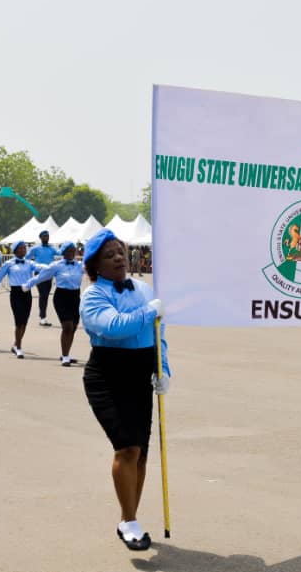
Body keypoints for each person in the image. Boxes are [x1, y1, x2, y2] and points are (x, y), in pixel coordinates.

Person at [79, 228, 169, 551]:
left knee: (140, 453)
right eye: (109, 255)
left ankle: (128, 518)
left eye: (120, 251)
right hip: (107, 375)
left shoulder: (143, 289)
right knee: (127, 447)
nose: (118, 258)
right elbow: (115, 327)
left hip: (140, 372)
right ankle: (130, 522)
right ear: (95, 266)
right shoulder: (93, 296)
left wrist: (163, 369)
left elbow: (158, 334)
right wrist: (150, 310)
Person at [25, 241, 84, 366]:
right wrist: (27, 285)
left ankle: (66, 353)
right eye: (68, 251)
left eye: (73, 251)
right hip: (61, 297)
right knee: (67, 326)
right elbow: (41, 277)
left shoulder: (80, 265)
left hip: (75, 297)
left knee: (73, 327)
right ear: (63, 252)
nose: (71, 253)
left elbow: (95, 271)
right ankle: (65, 357)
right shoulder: (56, 265)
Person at [0, 241, 39, 358]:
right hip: (16, 294)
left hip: (27, 293)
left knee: (24, 322)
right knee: (19, 322)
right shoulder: (9, 264)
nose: (24, 250)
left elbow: (40, 267)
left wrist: (50, 267)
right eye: (21, 248)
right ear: (15, 250)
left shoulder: (29, 263)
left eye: (24, 248)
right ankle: (19, 348)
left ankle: (15, 344)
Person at [26, 230, 59, 326]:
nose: (46, 238)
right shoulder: (35, 248)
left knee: (46, 295)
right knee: (43, 294)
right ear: (40, 238)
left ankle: (43, 316)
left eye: (47, 236)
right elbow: (26, 258)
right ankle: (42, 317)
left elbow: (60, 252)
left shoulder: (52, 248)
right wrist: (30, 267)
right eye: (44, 236)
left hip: (49, 274)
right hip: (39, 273)